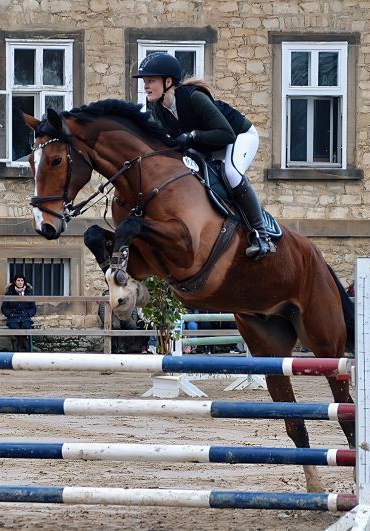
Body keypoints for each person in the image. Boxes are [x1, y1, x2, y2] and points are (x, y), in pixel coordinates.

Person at [133, 52, 275, 260]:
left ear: (168, 81)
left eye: (151, 81)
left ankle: (262, 237)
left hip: (238, 136)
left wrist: (191, 136)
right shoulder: (158, 107)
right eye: (145, 81)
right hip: (207, 143)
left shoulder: (194, 97)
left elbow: (226, 134)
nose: (145, 86)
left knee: (232, 173)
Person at [1, 275, 36, 352]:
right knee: (15, 328)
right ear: (15, 282)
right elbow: (4, 307)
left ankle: (19, 345)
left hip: (25, 316)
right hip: (13, 317)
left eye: (22, 280)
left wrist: (28, 314)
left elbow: (33, 308)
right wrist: (10, 314)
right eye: (18, 280)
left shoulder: (28, 293)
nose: (20, 282)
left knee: (26, 327)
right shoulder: (9, 293)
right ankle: (22, 343)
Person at [98, 289, 139, 353]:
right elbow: (102, 309)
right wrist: (106, 322)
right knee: (115, 325)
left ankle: (126, 347)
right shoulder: (108, 293)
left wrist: (134, 319)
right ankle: (114, 347)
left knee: (133, 325)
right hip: (113, 315)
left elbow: (133, 306)